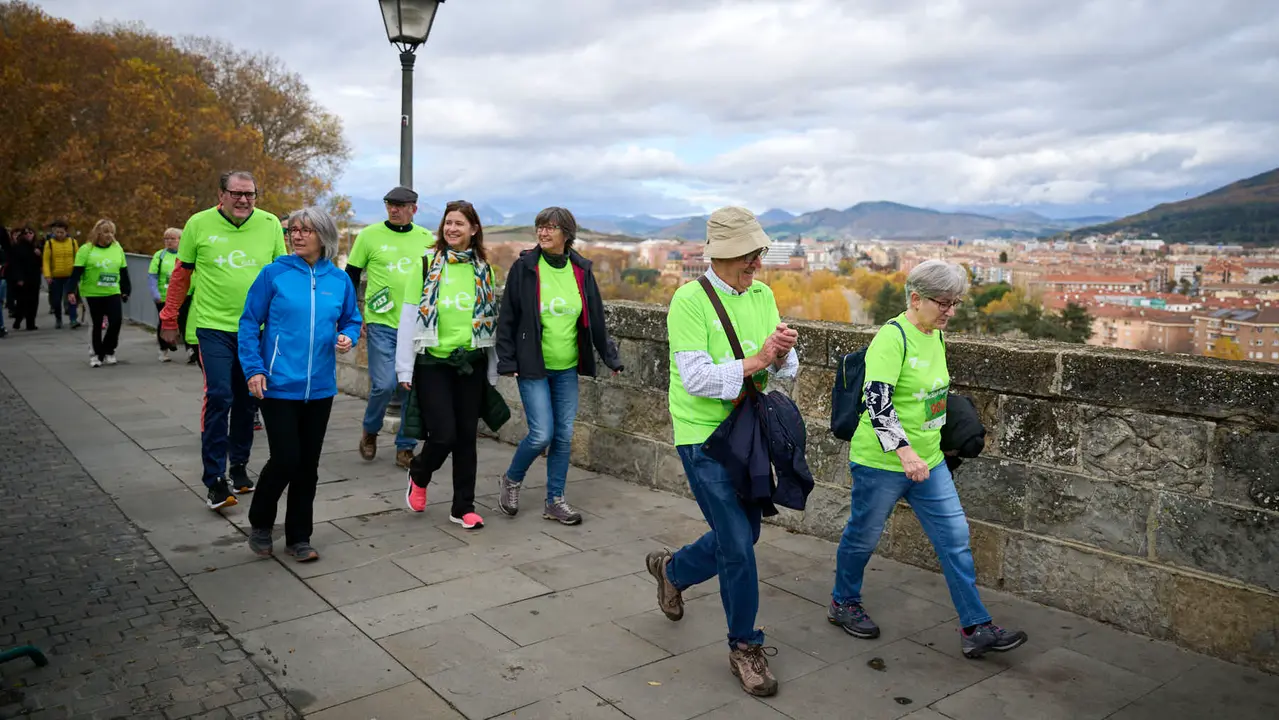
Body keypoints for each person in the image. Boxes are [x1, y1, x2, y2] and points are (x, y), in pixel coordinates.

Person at [828, 259, 1028, 659]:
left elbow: (931, 397)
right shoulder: (893, 337)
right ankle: (842, 601)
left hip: (930, 460)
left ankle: (975, 626)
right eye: (944, 303)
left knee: (955, 539)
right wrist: (904, 453)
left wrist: (940, 443)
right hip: (882, 463)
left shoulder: (934, 335)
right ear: (915, 299)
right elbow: (877, 399)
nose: (950, 312)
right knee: (863, 536)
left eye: (955, 303)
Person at [644, 207, 798, 698]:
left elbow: (785, 371)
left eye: (759, 252)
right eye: (749, 253)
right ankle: (745, 647)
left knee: (745, 533)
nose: (757, 261)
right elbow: (697, 378)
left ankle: (673, 570)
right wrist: (757, 359)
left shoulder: (763, 294)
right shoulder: (690, 301)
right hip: (703, 436)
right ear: (724, 253)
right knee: (736, 540)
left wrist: (783, 349)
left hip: (746, 432)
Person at [158, 170, 287, 511]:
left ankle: (239, 465)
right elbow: (180, 275)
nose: (244, 200)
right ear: (222, 195)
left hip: (256, 329)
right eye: (237, 194)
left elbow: (282, 276)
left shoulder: (271, 223)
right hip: (212, 327)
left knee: (248, 399)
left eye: (250, 194)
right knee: (219, 395)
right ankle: (215, 479)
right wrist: (168, 318)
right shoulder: (198, 224)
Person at [240, 207, 361, 562]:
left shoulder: (338, 280)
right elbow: (248, 324)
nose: (297, 235)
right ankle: (261, 523)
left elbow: (352, 319)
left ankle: (299, 537)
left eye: (306, 230)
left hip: (320, 387)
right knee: (286, 458)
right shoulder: (273, 274)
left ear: (323, 236)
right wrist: (254, 369)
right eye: (293, 229)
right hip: (277, 385)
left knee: (308, 464)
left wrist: (346, 337)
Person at [495, 206, 623, 525]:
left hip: (566, 367)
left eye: (551, 227)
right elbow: (508, 317)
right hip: (532, 365)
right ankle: (511, 479)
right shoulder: (525, 267)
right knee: (541, 434)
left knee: (564, 435)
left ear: (567, 233)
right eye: (540, 226)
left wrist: (610, 357)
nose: (543, 232)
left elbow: (595, 318)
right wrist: (507, 359)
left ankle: (555, 500)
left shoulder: (581, 270)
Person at [394, 200, 498, 529]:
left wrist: (492, 368)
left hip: (470, 362)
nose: (452, 228)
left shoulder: (485, 268)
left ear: (474, 229)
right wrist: (404, 368)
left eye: (459, 223)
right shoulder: (426, 265)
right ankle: (419, 472)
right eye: (448, 222)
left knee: (467, 437)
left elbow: (491, 321)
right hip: (433, 364)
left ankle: (462, 507)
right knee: (443, 434)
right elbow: (409, 319)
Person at [346, 186, 434, 469]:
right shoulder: (369, 236)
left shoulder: (426, 239)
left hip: (416, 325)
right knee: (383, 385)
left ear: (413, 209)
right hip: (381, 321)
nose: (394, 210)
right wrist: (353, 315)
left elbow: (435, 279)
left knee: (411, 387)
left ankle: (405, 448)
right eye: (389, 205)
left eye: (400, 205)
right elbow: (351, 276)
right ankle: (370, 431)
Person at [66, 219, 130, 366]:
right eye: (106, 232)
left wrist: (126, 289)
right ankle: (95, 354)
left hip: (112, 291)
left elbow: (123, 271)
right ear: (98, 233)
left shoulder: (117, 248)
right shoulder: (86, 249)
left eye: (112, 232)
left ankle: (109, 350)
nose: (110, 235)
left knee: (116, 321)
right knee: (96, 324)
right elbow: (76, 272)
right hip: (92, 293)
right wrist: (71, 290)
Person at [149, 228, 182, 362]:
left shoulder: (185, 254)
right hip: (164, 296)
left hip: (183, 296)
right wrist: (155, 294)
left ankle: (189, 349)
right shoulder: (160, 255)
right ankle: (163, 349)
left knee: (183, 321)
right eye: (166, 239)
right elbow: (152, 276)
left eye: (172, 239)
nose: (169, 242)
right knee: (164, 322)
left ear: (180, 240)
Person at [42, 220, 79, 329]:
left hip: (70, 275)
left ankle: (73, 319)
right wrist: (47, 275)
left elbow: (78, 258)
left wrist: (77, 273)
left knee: (72, 298)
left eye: (61, 232)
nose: (59, 235)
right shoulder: (49, 244)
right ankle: (58, 319)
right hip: (56, 276)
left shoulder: (73, 242)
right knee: (56, 300)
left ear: (66, 232)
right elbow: (46, 260)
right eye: (57, 232)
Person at [9, 227, 44, 331]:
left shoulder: (36, 247)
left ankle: (31, 323)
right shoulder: (18, 247)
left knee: (34, 301)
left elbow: (40, 264)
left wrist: (39, 255)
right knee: (22, 301)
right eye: (26, 233)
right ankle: (18, 319)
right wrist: (19, 278)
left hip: (34, 277)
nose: (29, 235)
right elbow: (15, 264)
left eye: (31, 233)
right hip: (23, 278)